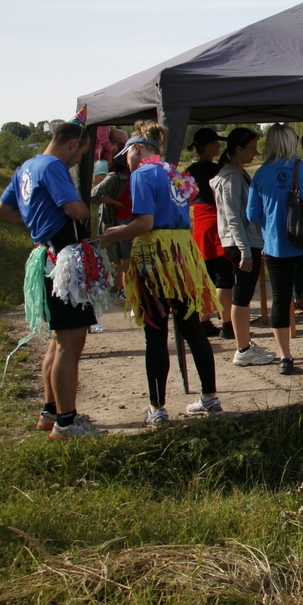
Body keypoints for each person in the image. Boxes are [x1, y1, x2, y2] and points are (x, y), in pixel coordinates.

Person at [97, 123, 221, 426]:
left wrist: (113, 236)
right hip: (182, 254)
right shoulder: (173, 172)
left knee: (155, 332)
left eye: (126, 154)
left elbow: (145, 222)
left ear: (137, 148)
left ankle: (157, 408)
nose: (126, 161)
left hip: (156, 257)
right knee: (191, 326)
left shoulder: (142, 173)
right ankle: (210, 397)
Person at [0, 120, 104, 439]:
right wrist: (79, 209)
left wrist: (35, 217)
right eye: (80, 154)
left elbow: (3, 210)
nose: (76, 162)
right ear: (72, 144)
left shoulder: (26, 167)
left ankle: (51, 411)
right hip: (63, 261)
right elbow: (76, 210)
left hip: (46, 257)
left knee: (59, 341)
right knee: (71, 343)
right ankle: (66, 422)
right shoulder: (53, 166)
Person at [248, 124, 303, 375]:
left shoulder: (260, 173)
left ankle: (285, 358)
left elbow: (252, 213)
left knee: (280, 300)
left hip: (275, 245)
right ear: (291, 142)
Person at [210, 127, 275, 366]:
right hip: (242, 244)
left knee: (244, 296)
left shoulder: (238, 175)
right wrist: (245, 251)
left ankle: (244, 343)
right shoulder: (230, 178)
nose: (255, 153)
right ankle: (243, 348)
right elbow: (233, 216)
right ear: (238, 149)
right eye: (251, 148)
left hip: (246, 242)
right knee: (242, 297)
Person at [185, 127, 227, 337]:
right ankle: (227, 320)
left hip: (198, 222)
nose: (219, 147)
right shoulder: (216, 169)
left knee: (205, 274)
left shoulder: (189, 171)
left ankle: (203, 320)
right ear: (209, 146)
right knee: (222, 274)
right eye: (217, 143)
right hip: (214, 220)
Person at [91, 150, 134, 299]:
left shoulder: (133, 175)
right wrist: (114, 202)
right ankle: (126, 291)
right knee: (124, 260)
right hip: (121, 221)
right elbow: (93, 194)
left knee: (128, 260)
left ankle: (127, 290)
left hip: (134, 220)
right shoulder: (115, 177)